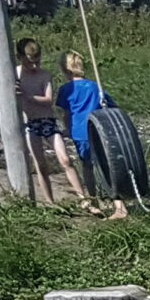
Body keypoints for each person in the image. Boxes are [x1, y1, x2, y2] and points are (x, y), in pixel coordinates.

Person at [14, 36, 95, 211]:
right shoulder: (15, 74)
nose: (34, 66)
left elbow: (48, 99)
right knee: (40, 164)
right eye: (30, 62)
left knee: (65, 159)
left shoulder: (44, 75)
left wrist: (27, 96)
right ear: (20, 57)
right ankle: (51, 204)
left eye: (37, 61)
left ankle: (85, 199)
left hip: (47, 120)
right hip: (29, 123)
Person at [59, 51, 128, 220]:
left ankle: (93, 200)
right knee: (105, 166)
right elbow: (110, 104)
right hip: (98, 130)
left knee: (87, 167)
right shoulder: (93, 86)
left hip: (80, 132)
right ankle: (119, 205)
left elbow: (66, 113)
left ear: (64, 69)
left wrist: (67, 129)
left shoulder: (66, 90)